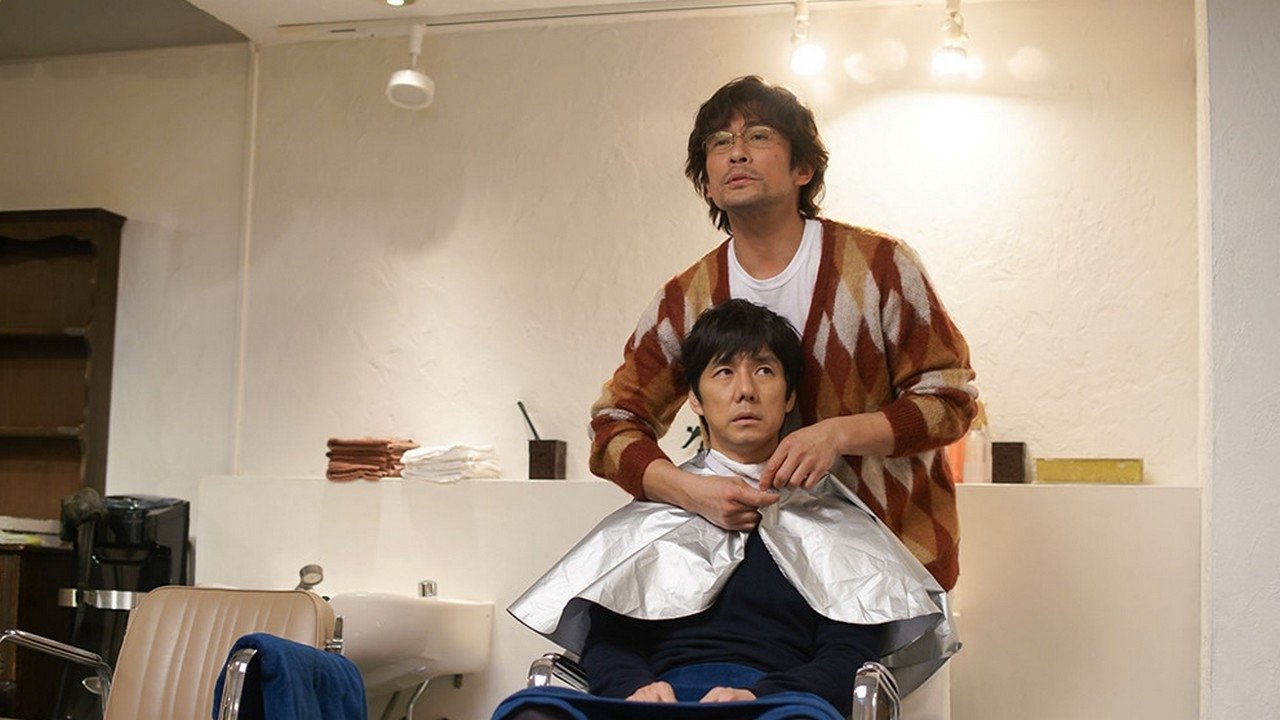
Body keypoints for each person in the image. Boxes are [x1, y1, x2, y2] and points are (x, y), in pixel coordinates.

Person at [588, 76, 977, 592]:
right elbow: (613, 424)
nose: (737, 153)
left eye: (759, 136)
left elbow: (951, 400)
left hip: (893, 564)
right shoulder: (685, 299)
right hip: (749, 582)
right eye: (719, 143)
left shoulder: (880, 268)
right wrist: (687, 490)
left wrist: (838, 434)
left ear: (803, 169)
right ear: (708, 185)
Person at [499, 300, 956, 720]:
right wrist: (634, 688)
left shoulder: (836, 524)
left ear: (789, 396)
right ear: (695, 399)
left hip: (776, 707)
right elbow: (609, 640)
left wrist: (762, 695)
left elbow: (848, 656)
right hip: (654, 704)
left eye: (764, 371)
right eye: (723, 372)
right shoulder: (654, 520)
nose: (745, 391)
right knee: (530, 714)